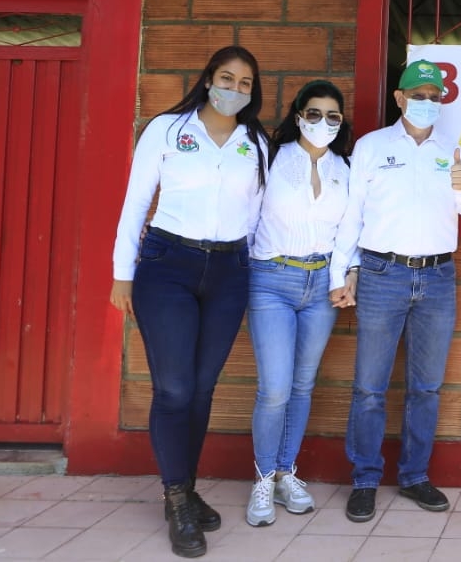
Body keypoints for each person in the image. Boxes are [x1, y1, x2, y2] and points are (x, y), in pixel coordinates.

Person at [110, 46, 267, 559]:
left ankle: (186, 484)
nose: (235, 89)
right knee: (174, 388)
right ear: (207, 80)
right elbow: (136, 201)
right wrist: (122, 275)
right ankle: (175, 497)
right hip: (167, 265)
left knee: (201, 390)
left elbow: (258, 219)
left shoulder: (256, 143)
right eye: (227, 78)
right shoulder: (168, 129)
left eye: (245, 83)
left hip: (229, 270)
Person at [332, 58, 461, 523]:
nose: (426, 103)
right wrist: (343, 272)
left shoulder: (452, 149)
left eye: (434, 97)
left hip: (437, 277)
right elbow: (352, 213)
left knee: (426, 388)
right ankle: (364, 479)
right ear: (399, 99)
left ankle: (415, 475)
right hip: (383, 274)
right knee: (370, 388)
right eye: (418, 96)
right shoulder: (372, 147)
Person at [245, 81, 356, 527]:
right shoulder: (270, 159)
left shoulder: (344, 169)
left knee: (302, 386)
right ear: (297, 116)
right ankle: (262, 476)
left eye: (333, 116)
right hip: (271, 278)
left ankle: (287, 472)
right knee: (274, 388)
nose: (323, 123)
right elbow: (246, 218)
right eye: (314, 113)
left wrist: (348, 274)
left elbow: (351, 231)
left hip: (321, 286)